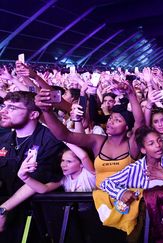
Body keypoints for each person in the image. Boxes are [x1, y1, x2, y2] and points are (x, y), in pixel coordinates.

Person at [35, 82, 143, 188]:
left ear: (127, 126)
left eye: (117, 120)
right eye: (110, 118)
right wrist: (46, 111)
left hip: (128, 200)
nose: (111, 122)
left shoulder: (132, 144)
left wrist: (131, 93)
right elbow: (65, 135)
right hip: (101, 202)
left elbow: (140, 121)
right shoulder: (98, 141)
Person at [0, 91, 65, 241]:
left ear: (33, 115)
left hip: (36, 216)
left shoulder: (50, 140)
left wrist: (3, 209)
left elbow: (39, 180)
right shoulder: (4, 140)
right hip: (7, 216)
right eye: (4, 106)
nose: (3, 111)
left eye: (12, 108)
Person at [17, 147, 96, 193]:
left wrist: (64, 137)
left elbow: (84, 156)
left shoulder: (89, 173)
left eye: (69, 161)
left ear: (82, 164)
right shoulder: (65, 179)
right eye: (62, 160)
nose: (63, 165)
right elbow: (44, 189)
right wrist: (24, 177)